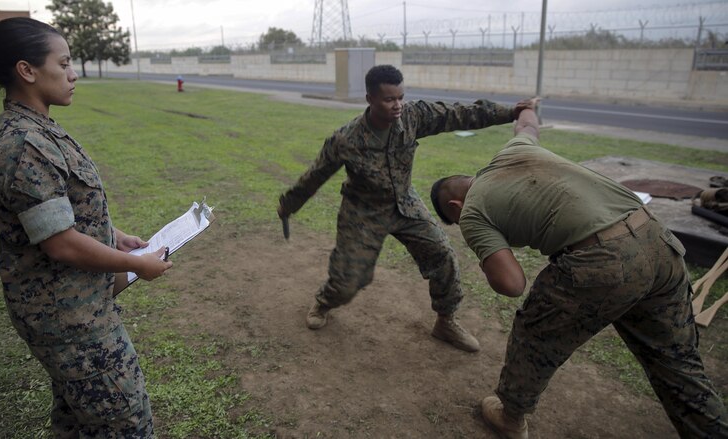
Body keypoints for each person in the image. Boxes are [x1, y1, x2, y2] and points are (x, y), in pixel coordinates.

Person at [430, 104, 728, 438]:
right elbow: (527, 125)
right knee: (677, 364)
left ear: (454, 207)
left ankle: (510, 417)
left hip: (604, 260)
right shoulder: (514, 150)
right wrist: (525, 108)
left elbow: (512, 284)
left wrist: (487, 257)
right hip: (659, 241)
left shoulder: (470, 212)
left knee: (535, 331)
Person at [0, 17, 172, 437]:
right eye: (65, 63)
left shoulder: (36, 128)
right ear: (27, 70)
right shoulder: (22, 143)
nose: (73, 74)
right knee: (126, 423)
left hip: (75, 307)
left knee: (78, 419)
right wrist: (139, 265)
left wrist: (115, 236)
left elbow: (63, 215)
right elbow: (61, 244)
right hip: (69, 318)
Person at [277, 64, 535, 352]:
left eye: (401, 96)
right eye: (389, 99)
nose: (398, 105)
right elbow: (315, 175)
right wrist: (288, 205)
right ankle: (324, 302)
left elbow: (458, 114)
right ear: (370, 99)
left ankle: (446, 321)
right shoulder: (345, 139)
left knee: (442, 255)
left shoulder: (414, 116)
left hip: (405, 203)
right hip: (363, 211)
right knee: (349, 281)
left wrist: (509, 112)